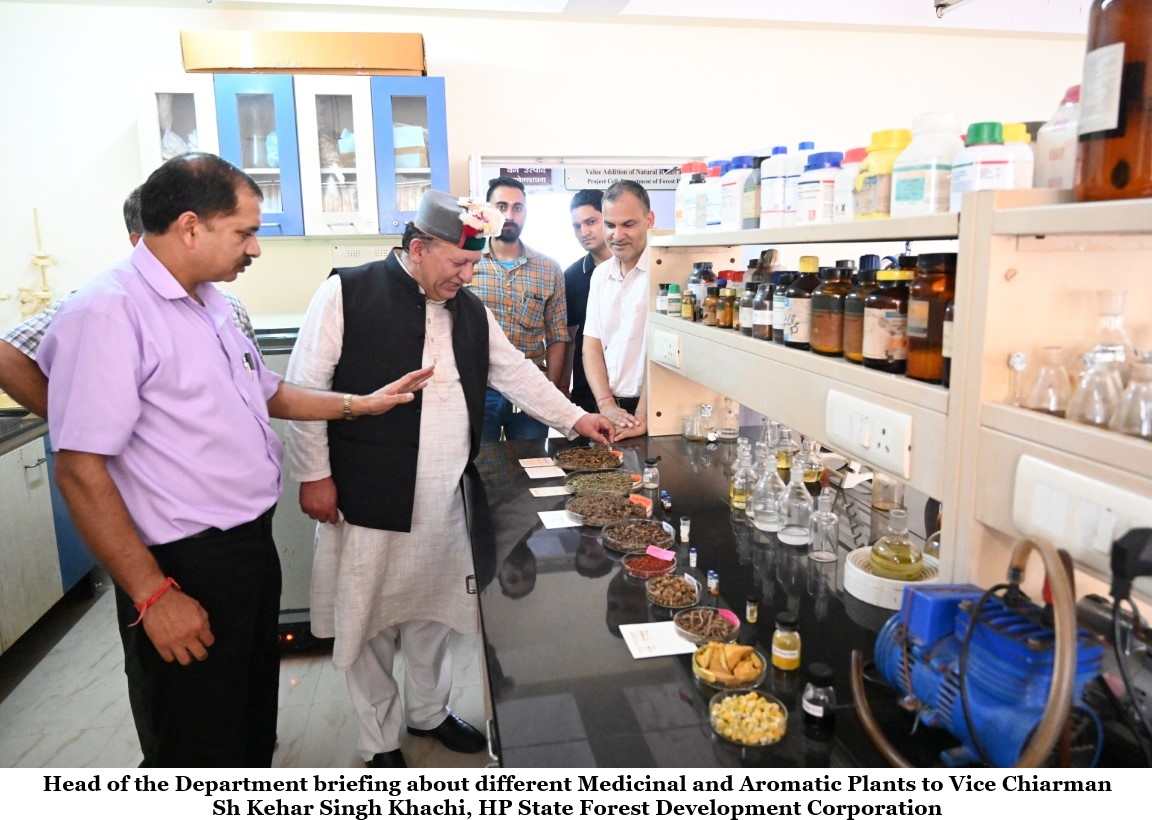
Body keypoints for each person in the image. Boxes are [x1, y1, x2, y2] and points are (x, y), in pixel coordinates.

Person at [36, 152, 433, 768]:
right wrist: (153, 595)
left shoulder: (210, 302)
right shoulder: (109, 311)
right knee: (195, 741)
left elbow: (265, 390)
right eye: (244, 232)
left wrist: (359, 405)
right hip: (179, 564)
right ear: (191, 227)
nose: (255, 248)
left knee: (245, 724)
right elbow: (80, 471)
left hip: (245, 547)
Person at [283, 189, 615, 769]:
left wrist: (576, 417)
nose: (468, 276)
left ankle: (429, 712)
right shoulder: (347, 293)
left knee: (431, 614)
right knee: (368, 622)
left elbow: (516, 373)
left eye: (473, 264)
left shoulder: (469, 310)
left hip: (443, 497)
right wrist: (314, 475)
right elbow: (304, 389)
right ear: (418, 248)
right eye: (459, 263)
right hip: (366, 493)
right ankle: (379, 739)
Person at [0, 186, 259, 418]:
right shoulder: (103, 306)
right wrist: (67, 419)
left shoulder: (227, 305)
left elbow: (257, 386)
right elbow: (6, 356)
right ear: (139, 242)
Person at [470, 176, 570, 441]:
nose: (509, 215)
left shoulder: (549, 269)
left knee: (532, 462)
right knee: (481, 462)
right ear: (487, 211)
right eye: (501, 207)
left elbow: (557, 335)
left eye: (517, 208)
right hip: (479, 388)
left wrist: (549, 389)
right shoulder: (469, 264)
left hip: (531, 388)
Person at [582, 180, 654, 441]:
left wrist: (644, 415)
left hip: (654, 409)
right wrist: (606, 404)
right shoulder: (600, 275)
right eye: (610, 225)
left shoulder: (664, 272)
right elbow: (591, 345)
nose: (617, 234)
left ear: (649, 220)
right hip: (609, 408)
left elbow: (663, 355)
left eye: (628, 224)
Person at [561, 189, 612, 414]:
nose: (584, 232)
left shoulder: (640, 268)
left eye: (591, 222)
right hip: (587, 392)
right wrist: (563, 388)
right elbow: (568, 338)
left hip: (636, 389)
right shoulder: (572, 276)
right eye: (577, 226)